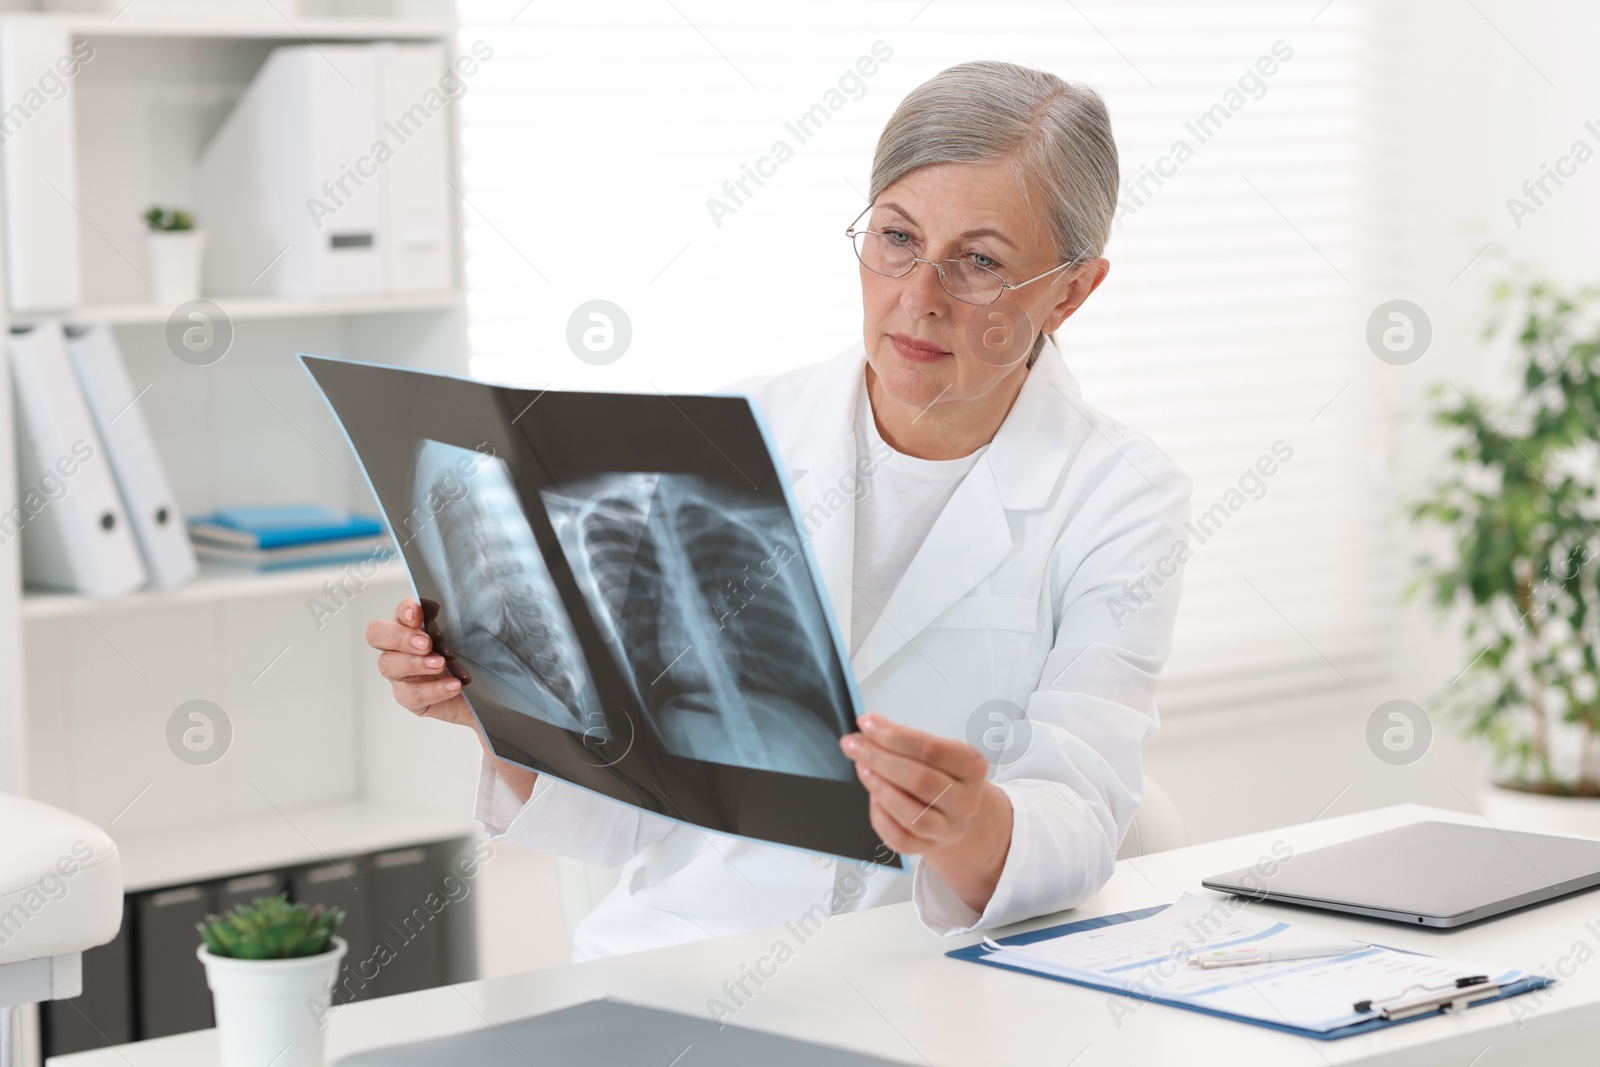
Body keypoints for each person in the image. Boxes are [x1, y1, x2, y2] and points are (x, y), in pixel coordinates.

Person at [366, 59, 1191, 960]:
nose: (919, 297)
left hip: (928, 974)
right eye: (897, 238)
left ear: (1071, 291)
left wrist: (970, 824)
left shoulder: (1119, 493)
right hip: (677, 957)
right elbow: (632, 806)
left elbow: (1084, 807)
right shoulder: (733, 433)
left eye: (981, 262)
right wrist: (505, 714)